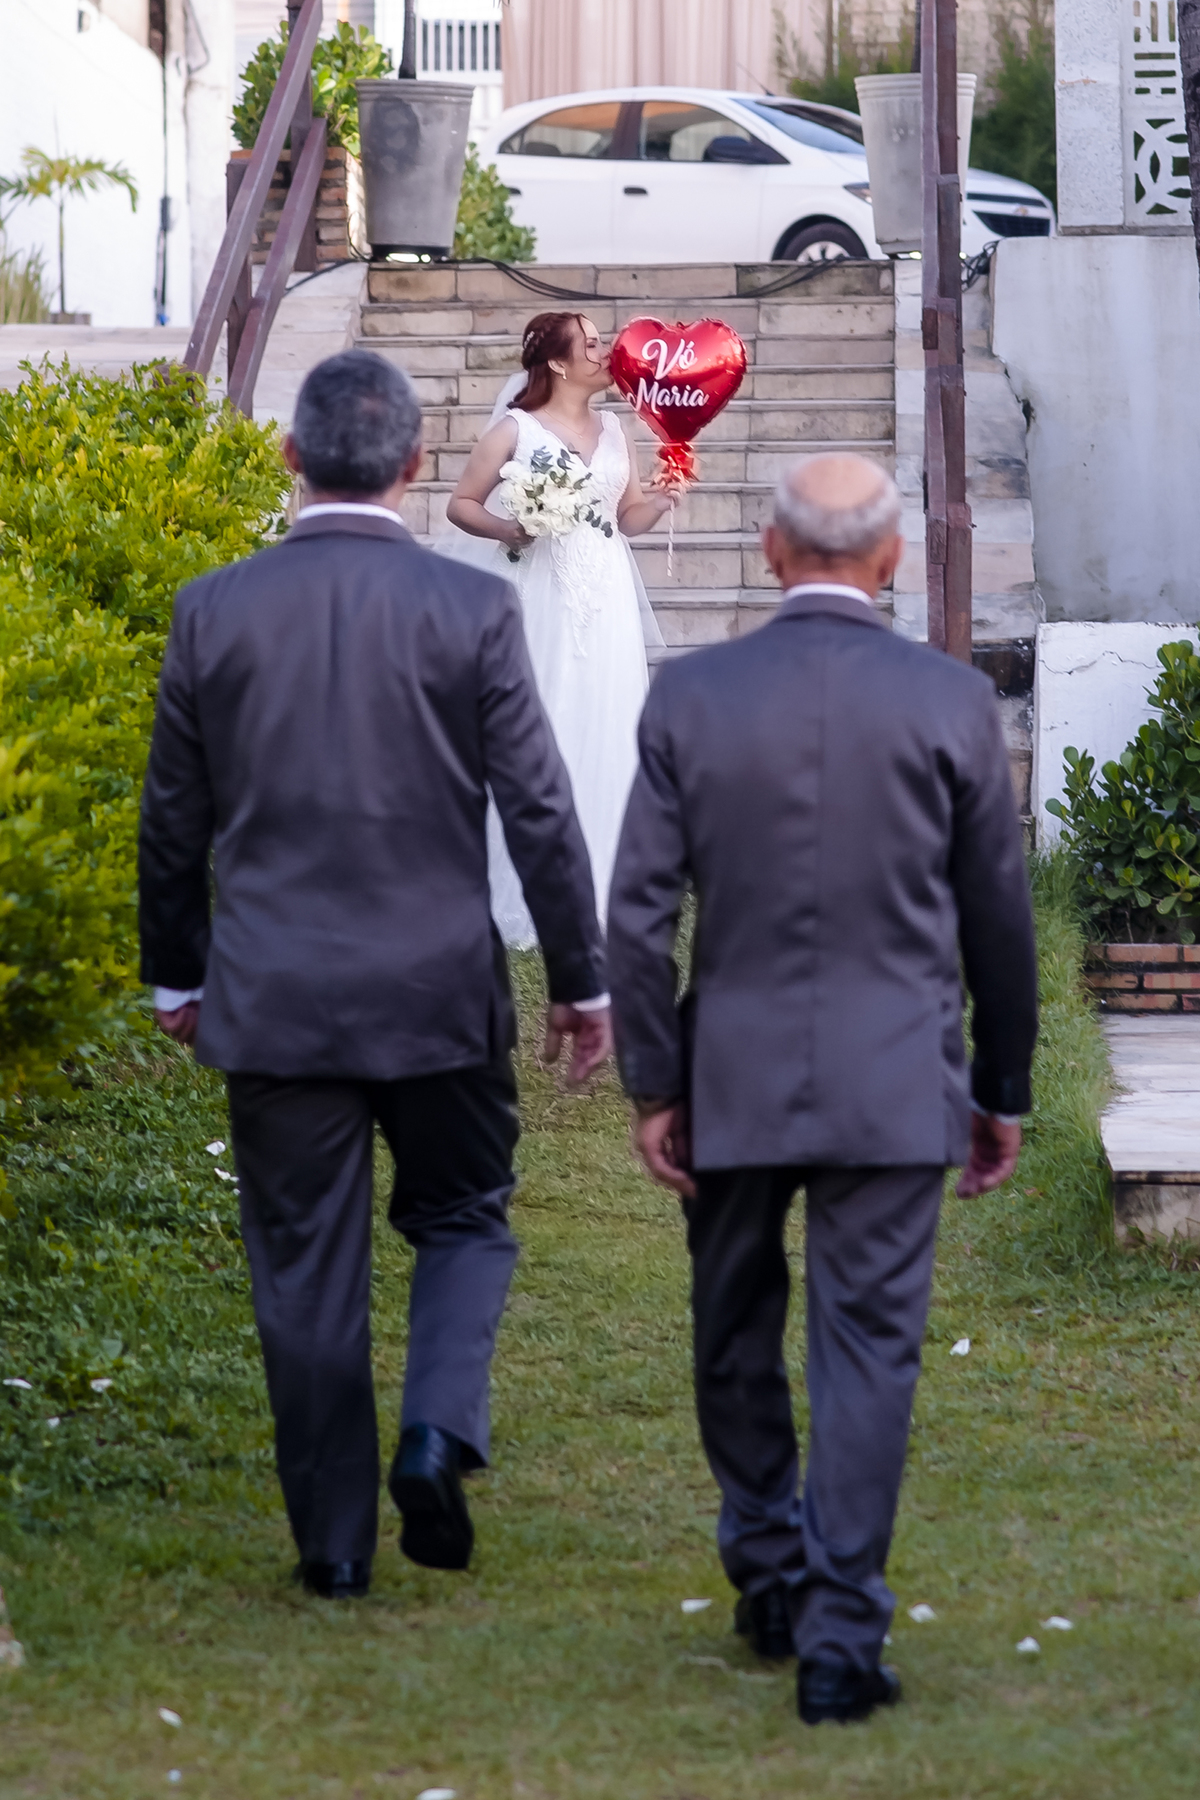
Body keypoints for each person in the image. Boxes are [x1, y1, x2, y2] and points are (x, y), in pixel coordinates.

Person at [138, 349, 612, 1600]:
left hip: (274, 991)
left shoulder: (213, 608)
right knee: (463, 1217)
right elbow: (542, 811)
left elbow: (171, 821)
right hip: (439, 989)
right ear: (411, 469)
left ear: (290, 458)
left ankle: (336, 1547)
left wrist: (175, 980)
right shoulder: (469, 612)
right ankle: (439, 1428)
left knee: (304, 1265)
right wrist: (582, 980)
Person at [607, 453, 1038, 1725]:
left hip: (730, 1068)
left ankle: (770, 1566)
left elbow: (637, 917)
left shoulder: (691, 695)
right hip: (899, 1074)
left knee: (732, 1327)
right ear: (893, 557)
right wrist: (1000, 1084)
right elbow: (999, 920)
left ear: (770, 550)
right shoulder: (952, 702)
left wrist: (654, 1078)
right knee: (870, 1353)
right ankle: (841, 1630)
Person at [443, 310, 678, 947]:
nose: (608, 352)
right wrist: (510, 526)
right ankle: (518, 882)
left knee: (607, 719)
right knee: (540, 721)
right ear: (556, 361)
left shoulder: (616, 430)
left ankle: (603, 878)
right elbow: (460, 504)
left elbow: (625, 520)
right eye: (594, 344)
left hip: (604, 598)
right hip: (539, 593)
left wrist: (658, 499)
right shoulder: (514, 430)